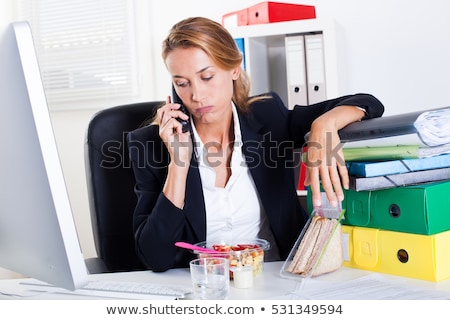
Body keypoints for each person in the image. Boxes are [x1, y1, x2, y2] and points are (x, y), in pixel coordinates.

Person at [128, 17, 384, 272]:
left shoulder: (268, 117)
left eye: (207, 76)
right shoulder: (149, 145)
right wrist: (178, 163)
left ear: (234, 69)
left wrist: (323, 125)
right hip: (204, 289)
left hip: (277, 280)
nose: (196, 95)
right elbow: (155, 257)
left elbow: (368, 102)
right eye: (182, 83)